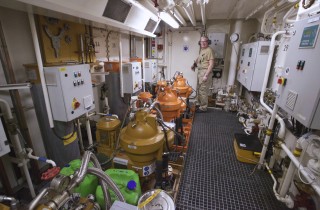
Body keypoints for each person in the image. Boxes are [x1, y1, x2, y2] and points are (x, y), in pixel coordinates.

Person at [191, 36, 214, 113]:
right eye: (201, 41)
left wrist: (206, 75)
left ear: (208, 42)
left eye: (205, 41)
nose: (203, 43)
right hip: (200, 71)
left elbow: (211, 64)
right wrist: (194, 64)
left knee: (203, 90)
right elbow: (199, 58)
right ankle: (199, 104)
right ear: (199, 42)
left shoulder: (209, 50)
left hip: (205, 72)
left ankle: (203, 107)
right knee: (199, 89)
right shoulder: (202, 50)